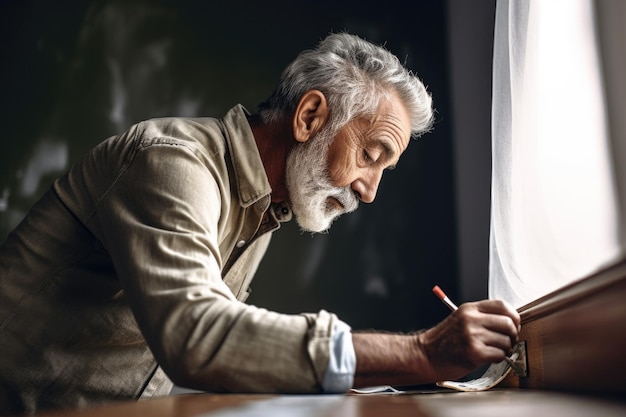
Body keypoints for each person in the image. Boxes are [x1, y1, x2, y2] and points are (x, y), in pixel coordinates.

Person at [0, 32, 520, 415]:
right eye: (370, 154)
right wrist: (420, 352)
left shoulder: (269, 203)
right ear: (310, 117)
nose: (369, 189)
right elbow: (195, 338)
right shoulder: (171, 162)